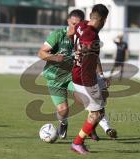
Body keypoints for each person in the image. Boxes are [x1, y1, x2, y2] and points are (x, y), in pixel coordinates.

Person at [37, 9, 116, 140]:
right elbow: (41, 53)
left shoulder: (84, 36)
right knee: (63, 110)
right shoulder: (57, 35)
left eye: (78, 24)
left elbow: (94, 57)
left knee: (87, 100)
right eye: (73, 23)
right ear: (68, 21)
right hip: (54, 79)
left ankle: (97, 128)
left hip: (71, 77)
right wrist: (56, 58)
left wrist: (101, 75)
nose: (75, 27)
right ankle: (63, 122)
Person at [71, 4, 110, 154]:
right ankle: (77, 143)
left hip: (78, 73)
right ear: (103, 20)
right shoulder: (91, 35)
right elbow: (88, 51)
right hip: (85, 78)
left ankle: (90, 132)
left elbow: (72, 32)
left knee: (100, 106)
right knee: (97, 113)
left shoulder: (81, 25)